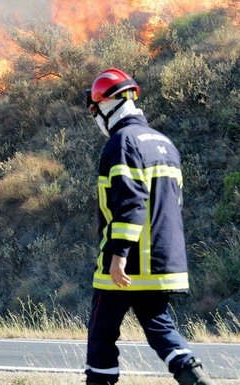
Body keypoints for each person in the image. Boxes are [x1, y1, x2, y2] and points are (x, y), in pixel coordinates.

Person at [83, 68, 214, 385]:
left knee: (101, 335)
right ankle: (193, 375)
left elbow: (130, 201)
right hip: (163, 262)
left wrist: (119, 255)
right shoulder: (164, 143)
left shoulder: (122, 143)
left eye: (96, 110)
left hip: (128, 265)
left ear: (108, 104)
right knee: (159, 325)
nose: (97, 119)